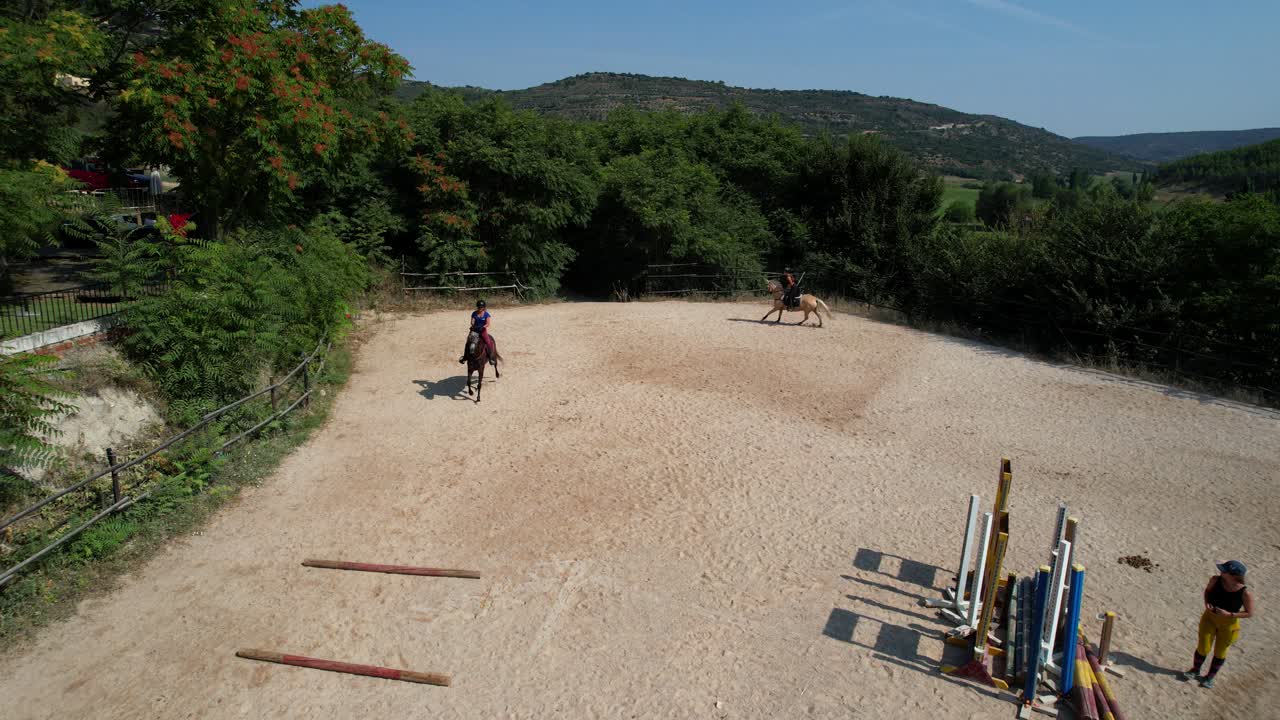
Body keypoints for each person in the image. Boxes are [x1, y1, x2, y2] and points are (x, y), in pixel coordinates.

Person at [1181, 560, 1254, 688]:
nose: (1220, 571)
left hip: (1229, 625)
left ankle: (1209, 678)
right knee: (1203, 647)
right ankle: (1195, 670)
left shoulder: (1245, 593)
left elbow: (1249, 613)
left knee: (1220, 653)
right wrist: (1206, 602)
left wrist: (1229, 614)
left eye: (1224, 570)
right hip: (1209, 618)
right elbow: (1207, 592)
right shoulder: (1215, 580)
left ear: (1233, 575)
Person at [459, 299, 493, 364]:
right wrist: (473, 325)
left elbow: (488, 323)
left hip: (482, 331)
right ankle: (465, 357)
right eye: (479, 307)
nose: (480, 308)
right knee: (468, 342)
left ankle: (491, 357)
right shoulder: (474, 313)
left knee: (489, 342)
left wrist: (483, 327)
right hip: (475, 330)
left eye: (481, 307)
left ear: (484, 307)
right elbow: (472, 321)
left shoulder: (486, 314)